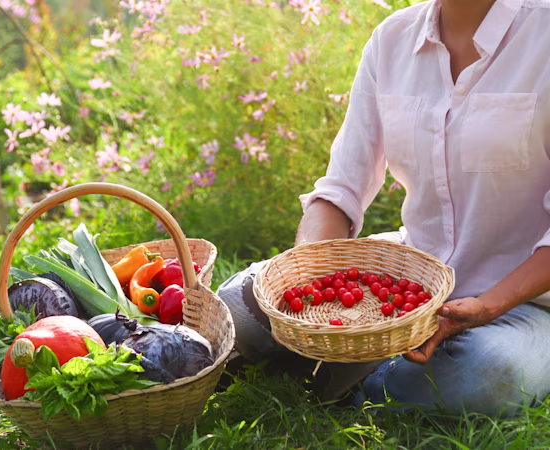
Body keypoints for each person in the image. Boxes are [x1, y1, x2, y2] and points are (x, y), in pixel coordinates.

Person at [218, 0, 550, 416]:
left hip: (524, 302)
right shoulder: (392, 39)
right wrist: (308, 277)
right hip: (410, 279)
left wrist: (489, 305)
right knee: (239, 303)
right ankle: (360, 366)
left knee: (487, 374)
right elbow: (341, 188)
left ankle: (344, 381)